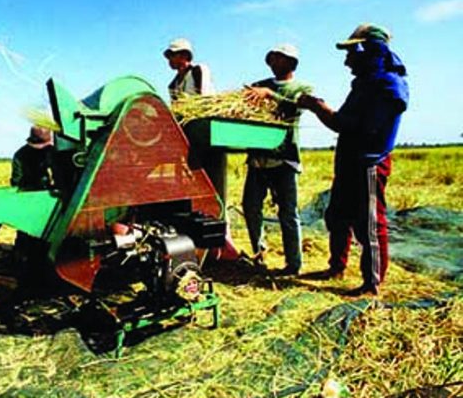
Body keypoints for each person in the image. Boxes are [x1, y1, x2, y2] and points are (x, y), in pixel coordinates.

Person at [298, 23, 408, 295]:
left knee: (369, 224)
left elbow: (351, 125)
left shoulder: (388, 86)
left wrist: (317, 107)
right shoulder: (365, 84)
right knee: (336, 216)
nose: (347, 62)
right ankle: (336, 267)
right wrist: (320, 108)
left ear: (368, 51)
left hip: (369, 163)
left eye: (351, 54)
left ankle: (372, 284)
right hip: (349, 162)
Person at [243, 44, 313, 276]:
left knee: (288, 213)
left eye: (278, 59)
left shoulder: (301, 87)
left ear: (291, 63)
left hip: (284, 159)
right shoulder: (260, 84)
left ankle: (293, 264)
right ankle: (259, 254)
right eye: (272, 58)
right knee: (250, 207)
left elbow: (296, 108)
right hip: (258, 159)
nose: (273, 62)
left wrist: (270, 95)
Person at [164, 38, 236, 261]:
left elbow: (201, 102)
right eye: (169, 56)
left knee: (215, 190)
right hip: (191, 138)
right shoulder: (173, 84)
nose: (170, 59)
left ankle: (223, 243)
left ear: (185, 55)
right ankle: (202, 241)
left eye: (174, 55)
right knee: (195, 190)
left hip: (207, 132)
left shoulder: (198, 71)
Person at [10, 126, 55, 283]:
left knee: (36, 236)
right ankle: (24, 270)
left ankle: (34, 267)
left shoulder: (50, 152)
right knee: (27, 236)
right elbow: (16, 181)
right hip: (30, 199)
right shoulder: (21, 155)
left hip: (45, 199)